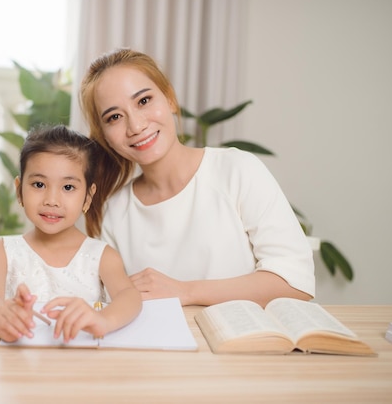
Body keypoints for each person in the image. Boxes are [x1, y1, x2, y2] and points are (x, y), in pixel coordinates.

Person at [79, 48, 315, 307]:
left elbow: (294, 282)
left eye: (144, 101)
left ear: (169, 99)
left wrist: (186, 291)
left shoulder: (237, 170)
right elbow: (109, 306)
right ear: (104, 135)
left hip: (243, 343)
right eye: (114, 117)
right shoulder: (115, 212)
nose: (136, 126)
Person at [0, 125, 142, 343]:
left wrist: (102, 320)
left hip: (81, 367)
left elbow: (130, 297)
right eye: (39, 184)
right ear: (19, 190)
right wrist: (2, 318)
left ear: (88, 197)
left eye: (68, 188)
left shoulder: (103, 256)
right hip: (19, 367)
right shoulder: (0, 252)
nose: (52, 200)